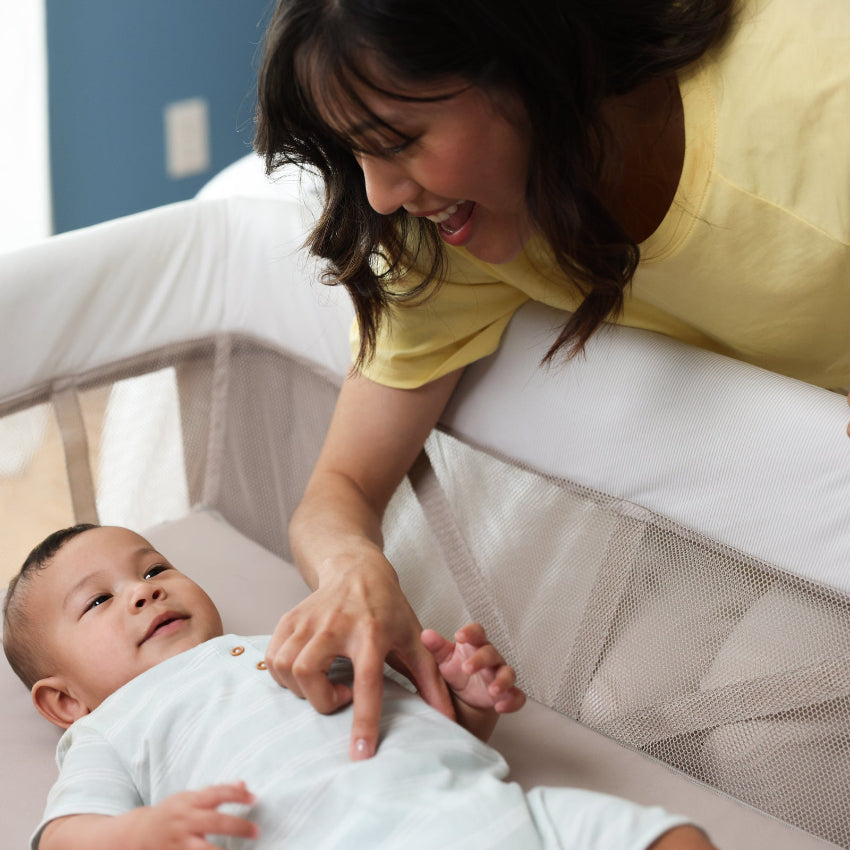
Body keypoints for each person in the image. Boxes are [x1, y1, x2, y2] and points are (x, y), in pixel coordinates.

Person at [252, 0, 850, 762]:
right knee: (626, 713)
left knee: (764, 752)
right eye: (354, 154)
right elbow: (338, 487)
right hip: (776, 498)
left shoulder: (814, 84)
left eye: (400, 142)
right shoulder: (451, 239)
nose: (378, 194)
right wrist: (352, 568)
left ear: (526, 61)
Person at [1, 524, 715, 850]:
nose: (143, 594)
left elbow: (409, 724)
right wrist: (138, 835)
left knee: (673, 836)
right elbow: (64, 836)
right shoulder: (110, 726)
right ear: (65, 701)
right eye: (99, 601)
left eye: (155, 570)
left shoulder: (288, 639)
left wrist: (464, 701)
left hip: (497, 813)